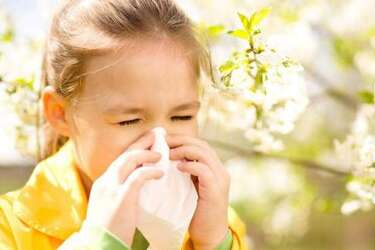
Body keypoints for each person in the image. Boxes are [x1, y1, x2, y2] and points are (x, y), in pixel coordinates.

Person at [0, 0, 247, 249]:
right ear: (60, 113)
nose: (159, 145)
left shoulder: (217, 225)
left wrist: (213, 243)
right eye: (128, 121)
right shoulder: (9, 228)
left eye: (182, 117)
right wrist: (101, 242)